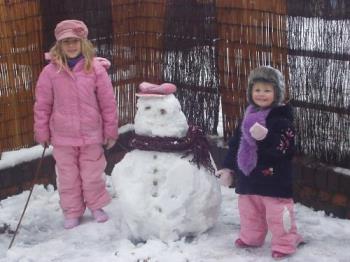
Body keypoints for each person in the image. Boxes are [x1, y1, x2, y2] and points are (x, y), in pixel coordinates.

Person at [34, 20, 118, 229]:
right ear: (59, 45)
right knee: (68, 176)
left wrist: (110, 130)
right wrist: (42, 132)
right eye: (66, 42)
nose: (71, 46)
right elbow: (42, 105)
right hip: (62, 137)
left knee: (92, 174)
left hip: (91, 134)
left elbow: (108, 103)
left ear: (83, 43)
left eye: (75, 41)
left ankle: (96, 205)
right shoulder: (50, 73)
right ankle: (72, 211)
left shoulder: (95, 69)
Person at [216, 66, 303, 260]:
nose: (261, 94)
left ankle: (286, 241)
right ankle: (251, 237)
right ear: (250, 92)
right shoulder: (248, 117)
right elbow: (236, 143)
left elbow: (284, 149)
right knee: (249, 212)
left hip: (274, 179)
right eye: (257, 90)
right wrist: (228, 167)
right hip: (249, 178)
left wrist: (265, 138)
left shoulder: (282, 121)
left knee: (279, 215)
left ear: (276, 93)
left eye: (267, 90)